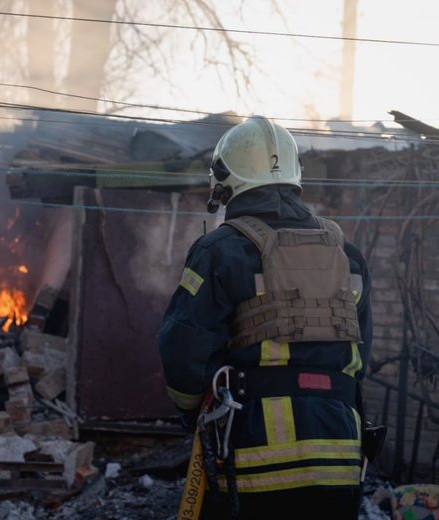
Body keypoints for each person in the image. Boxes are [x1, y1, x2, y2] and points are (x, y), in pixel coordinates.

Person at [157, 115, 373, 519]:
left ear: (225, 178)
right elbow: (361, 361)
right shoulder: (348, 253)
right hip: (340, 459)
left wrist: (193, 415)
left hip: (255, 461)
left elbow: (181, 352)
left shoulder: (220, 250)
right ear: (294, 175)